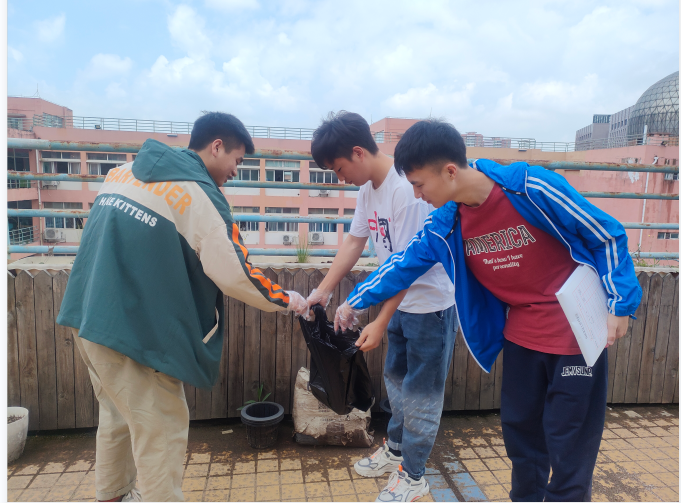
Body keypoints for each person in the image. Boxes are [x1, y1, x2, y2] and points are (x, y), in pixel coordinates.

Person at [336, 120, 641, 502]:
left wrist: (621, 303)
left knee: (568, 444)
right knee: (521, 436)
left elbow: (605, 233)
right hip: (522, 338)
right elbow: (402, 265)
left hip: (577, 335)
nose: (416, 195)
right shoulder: (446, 223)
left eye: (419, 184)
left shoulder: (530, 187)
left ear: (450, 172)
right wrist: (354, 301)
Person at [57, 112, 308, 502]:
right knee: (161, 430)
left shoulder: (121, 173)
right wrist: (287, 299)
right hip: (135, 335)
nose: (235, 171)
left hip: (86, 314)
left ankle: (113, 494)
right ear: (217, 146)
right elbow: (235, 272)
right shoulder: (199, 196)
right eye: (237, 160)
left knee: (118, 416)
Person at [305, 111, 458, 502]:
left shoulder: (406, 191)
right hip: (401, 306)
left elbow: (407, 266)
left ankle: (414, 475)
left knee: (422, 396)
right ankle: (396, 450)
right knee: (396, 382)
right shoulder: (367, 191)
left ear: (358, 152)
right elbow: (355, 242)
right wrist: (324, 290)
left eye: (339, 169)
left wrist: (378, 318)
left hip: (430, 307)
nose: (340, 178)